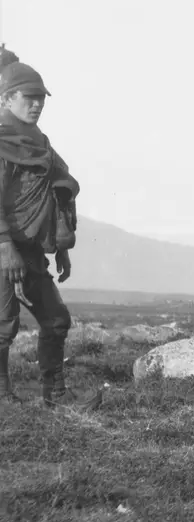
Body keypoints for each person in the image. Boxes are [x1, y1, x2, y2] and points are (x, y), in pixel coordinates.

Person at [0, 54, 101, 409]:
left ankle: (55, 396)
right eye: (28, 97)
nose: (37, 103)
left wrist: (61, 246)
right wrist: (3, 246)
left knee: (56, 320)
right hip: (4, 249)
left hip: (30, 250)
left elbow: (55, 194)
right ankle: (3, 400)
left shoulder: (38, 142)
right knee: (2, 326)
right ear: (6, 98)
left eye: (41, 97)